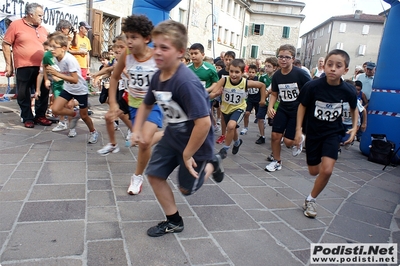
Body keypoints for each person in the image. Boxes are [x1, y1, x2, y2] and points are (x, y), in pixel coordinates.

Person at [130, 20, 224, 237]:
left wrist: (188, 153)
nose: (158, 52)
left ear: (181, 52)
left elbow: (204, 123)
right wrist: (136, 128)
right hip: (173, 135)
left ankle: (212, 164)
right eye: (155, 46)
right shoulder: (158, 75)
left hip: (196, 143)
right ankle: (174, 221)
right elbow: (147, 103)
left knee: (186, 189)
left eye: (165, 48)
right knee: (154, 175)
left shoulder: (185, 82)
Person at [295, 49, 358, 218]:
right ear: (324, 66)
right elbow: (302, 106)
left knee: (328, 170)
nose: (333, 69)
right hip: (313, 133)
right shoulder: (312, 86)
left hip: (333, 133)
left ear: (345, 70)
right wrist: (298, 130)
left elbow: (354, 107)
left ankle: (310, 200)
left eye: (338, 66)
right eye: (330, 64)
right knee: (314, 171)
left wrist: (354, 127)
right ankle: (312, 161)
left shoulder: (349, 90)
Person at [107, 15, 163, 195]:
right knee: (142, 142)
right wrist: (114, 104)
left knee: (144, 141)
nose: (129, 42)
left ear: (147, 38)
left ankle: (137, 177)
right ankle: (167, 134)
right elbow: (114, 78)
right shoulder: (127, 55)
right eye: (127, 36)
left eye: (134, 37)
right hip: (134, 105)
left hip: (154, 104)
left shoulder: (157, 57)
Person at [2, 2, 52, 128]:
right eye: (40, 15)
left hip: (42, 67)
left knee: (44, 91)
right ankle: (27, 117)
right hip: (24, 65)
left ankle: (40, 115)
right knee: (24, 93)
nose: (42, 18)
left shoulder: (43, 29)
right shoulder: (16, 25)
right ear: (30, 14)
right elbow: (6, 44)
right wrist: (9, 65)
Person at [265, 44, 311, 172]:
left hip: (297, 110)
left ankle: (299, 138)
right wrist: (270, 107)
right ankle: (277, 161)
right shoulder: (277, 75)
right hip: (283, 108)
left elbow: (311, 90)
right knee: (275, 135)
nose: (283, 60)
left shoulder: (301, 74)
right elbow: (274, 93)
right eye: (280, 57)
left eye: (287, 57)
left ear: (293, 59)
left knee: (288, 142)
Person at [48, 33, 98, 143]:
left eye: (54, 47)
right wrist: (52, 76)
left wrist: (57, 74)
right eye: (50, 46)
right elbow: (60, 76)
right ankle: (75, 114)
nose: (51, 49)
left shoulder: (69, 60)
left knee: (85, 116)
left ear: (64, 48)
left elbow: (75, 79)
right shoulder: (56, 58)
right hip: (68, 88)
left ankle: (93, 132)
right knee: (55, 109)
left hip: (80, 89)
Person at [210, 59, 266, 159]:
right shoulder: (224, 80)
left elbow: (262, 85)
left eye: (237, 72)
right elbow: (213, 93)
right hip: (226, 109)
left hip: (239, 108)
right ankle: (237, 142)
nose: (233, 75)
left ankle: (224, 149)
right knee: (233, 129)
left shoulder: (245, 83)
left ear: (242, 72)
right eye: (231, 71)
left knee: (231, 126)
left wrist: (262, 100)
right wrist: (214, 94)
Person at [96, 34, 133, 157]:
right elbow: (109, 71)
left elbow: (134, 78)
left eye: (121, 46)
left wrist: (124, 71)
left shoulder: (133, 59)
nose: (117, 49)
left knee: (122, 116)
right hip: (126, 93)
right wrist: (96, 75)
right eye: (115, 47)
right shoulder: (118, 59)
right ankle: (113, 144)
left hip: (137, 96)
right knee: (111, 116)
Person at [187, 43, 220, 132]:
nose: (193, 56)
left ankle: (210, 128)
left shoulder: (210, 68)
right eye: (191, 53)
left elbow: (216, 83)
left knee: (204, 116)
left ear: (202, 54)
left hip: (206, 97)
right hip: (192, 97)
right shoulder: (187, 68)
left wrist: (206, 90)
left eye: (196, 53)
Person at [256, 56, 279, 145]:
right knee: (260, 117)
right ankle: (262, 136)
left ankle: (276, 137)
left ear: (274, 67)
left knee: (274, 121)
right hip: (264, 101)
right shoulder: (262, 77)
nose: (266, 68)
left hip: (274, 102)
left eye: (269, 66)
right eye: (265, 66)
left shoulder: (277, 77)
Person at [216, 51, 236, 144]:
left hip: (235, 100)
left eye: (230, 60)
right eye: (226, 59)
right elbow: (217, 83)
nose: (227, 61)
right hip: (224, 98)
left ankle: (232, 136)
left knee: (232, 121)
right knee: (223, 117)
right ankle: (223, 134)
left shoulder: (236, 72)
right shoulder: (221, 72)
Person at [240, 64, 260, 135]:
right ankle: (245, 127)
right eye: (250, 72)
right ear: (247, 72)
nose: (251, 74)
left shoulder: (258, 79)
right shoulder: (246, 80)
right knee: (247, 113)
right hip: (250, 99)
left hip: (258, 99)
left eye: (253, 72)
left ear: (256, 73)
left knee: (259, 116)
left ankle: (261, 128)